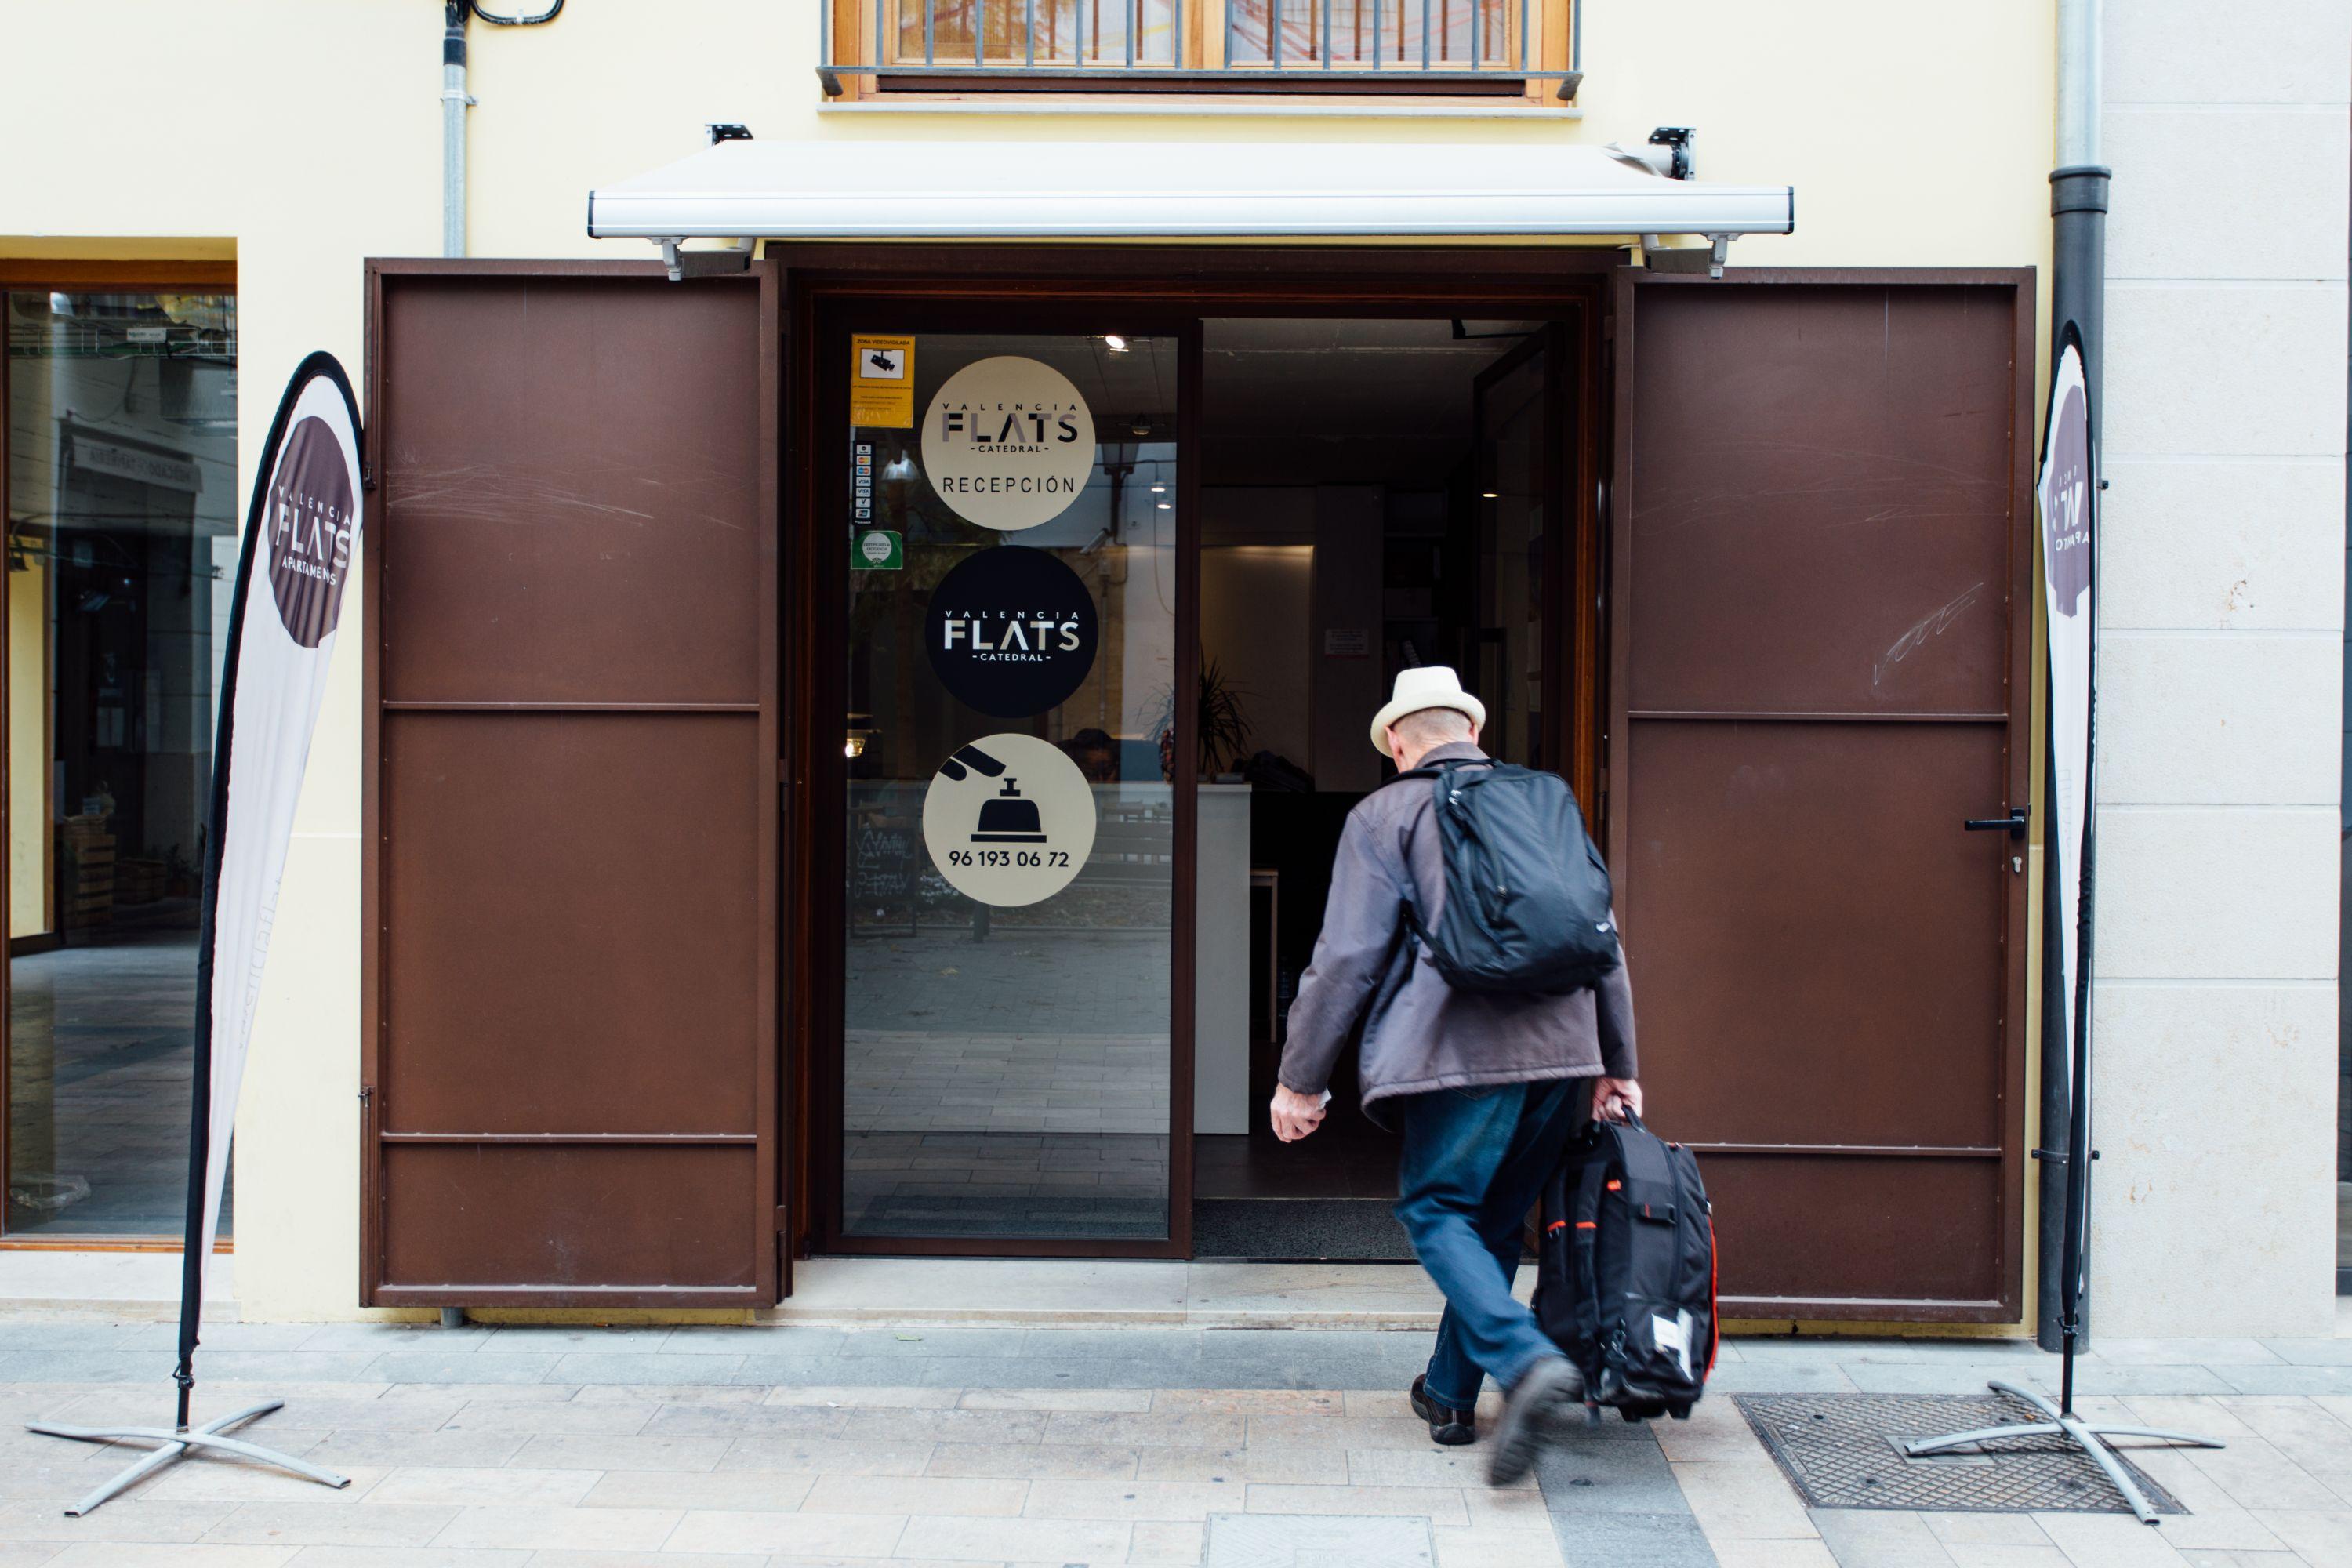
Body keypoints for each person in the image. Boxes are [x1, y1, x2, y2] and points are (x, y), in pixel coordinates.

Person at [1271, 666, 1639, 1486]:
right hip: (1565, 1051)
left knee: (1437, 1207)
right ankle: (1447, 1390)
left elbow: (1345, 960)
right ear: (1472, 731)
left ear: (1397, 741)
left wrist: (1301, 1078)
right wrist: (1617, 1064)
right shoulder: (1547, 798)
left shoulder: (1385, 811)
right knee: (1496, 1221)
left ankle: (1525, 1360)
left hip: (1461, 1054)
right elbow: (1603, 933)